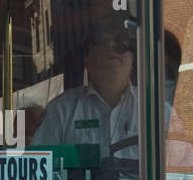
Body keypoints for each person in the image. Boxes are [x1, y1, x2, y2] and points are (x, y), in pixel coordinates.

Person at [32, 18, 139, 158]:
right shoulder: (61, 111)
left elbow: (175, 171)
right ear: (87, 62)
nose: (111, 47)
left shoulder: (159, 112)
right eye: (101, 42)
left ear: (131, 59)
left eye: (121, 43)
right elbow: (41, 169)